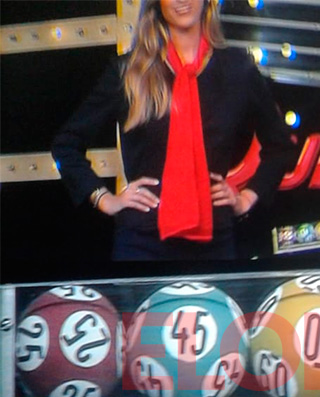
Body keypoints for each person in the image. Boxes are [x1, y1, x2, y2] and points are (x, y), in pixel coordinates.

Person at [52, 0, 297, 260]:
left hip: (216, 242)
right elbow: (66, 144)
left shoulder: (237, 69)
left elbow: (280, 147)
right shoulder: (130, 71)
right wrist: (104, 199)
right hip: (141, 241)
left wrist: (246, 198)